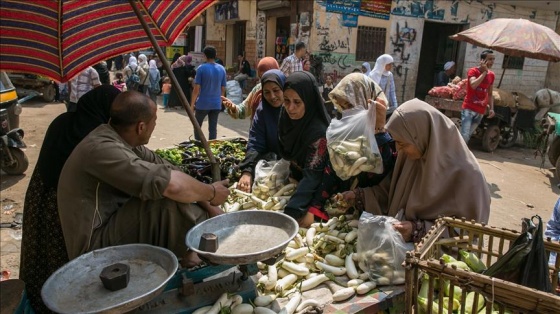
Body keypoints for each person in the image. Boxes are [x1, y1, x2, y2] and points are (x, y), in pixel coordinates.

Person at [57, 91, 230, 263]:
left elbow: (170, 169)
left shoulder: (124, 139)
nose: (155, 124)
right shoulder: (101, 149)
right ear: (141, 127)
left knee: (174, 189)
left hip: (113, 223)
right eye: (154, 121)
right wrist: (212, 192)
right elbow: (170, 185)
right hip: (93, 247)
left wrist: (210, 206)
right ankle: (190, 254)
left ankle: (191, 245)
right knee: (164, 200)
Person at [20, 85, 121, 313]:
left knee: (39, 252)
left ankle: (39, 302)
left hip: (40, 194)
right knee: (63, 256)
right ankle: (62, 305)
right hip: (64, 203)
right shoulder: (96, 133)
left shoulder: (63, 120)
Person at [341, 99, 491, 242]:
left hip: (436, 261)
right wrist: (359, 196)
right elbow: (389, 193)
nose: (399, 149)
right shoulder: (409, 158)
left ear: (420, 137)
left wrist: (418, 230)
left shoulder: (468, 176)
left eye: (402, 143)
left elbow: (469, 232)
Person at [278, 71, 337, 227]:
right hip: (296, 182)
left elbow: (313, 176)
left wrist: (291, 212)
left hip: (317, 191)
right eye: (286, 100)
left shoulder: (318, 132)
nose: (290, 108)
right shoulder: (286, 117)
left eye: (297, 102)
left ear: (309, 101)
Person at [328, 73, 396, 189]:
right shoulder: (346, 127)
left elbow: (388, 171)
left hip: (373, 201)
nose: (346, 112)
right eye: (342, 108)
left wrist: (379, 129)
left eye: (349, 105)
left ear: (365, 97)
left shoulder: (392, 124)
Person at [236, 69, 286, 192]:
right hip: (272, 169)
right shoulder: (263, 111)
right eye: (267, 92)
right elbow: (255, 142)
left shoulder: (294, 110)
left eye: (276, 90)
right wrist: (247, 172)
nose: (272, 96)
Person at [222, 57, 279, 121]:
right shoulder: (258, 89)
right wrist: (234, 108)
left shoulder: (284, 91)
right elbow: (245, 109)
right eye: (262, 76)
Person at [191, 46, 227, 141]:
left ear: (204, 56)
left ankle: (199, 146)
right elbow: (223, 88)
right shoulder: (222, 69)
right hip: (216, 103)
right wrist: (221, 100)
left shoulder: (201, 69)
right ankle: (212, 148)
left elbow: (196, 89)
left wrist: (191, 105)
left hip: (203, 103)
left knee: (197, 126)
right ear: (215, 55)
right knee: (213, 128)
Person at [461, 50, 496, 143]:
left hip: (480, 110)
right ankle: (459, 155)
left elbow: (490, 93)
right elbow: (473, 85)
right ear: (482, 60)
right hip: (469, 108)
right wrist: (484, 72)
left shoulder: (492, 75)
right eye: (490, 59)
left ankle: (457, 152)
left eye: (493, 59)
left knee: (468, 135)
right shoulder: (473, 71)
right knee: (464, 135)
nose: (492, 61)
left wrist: (492, 108)